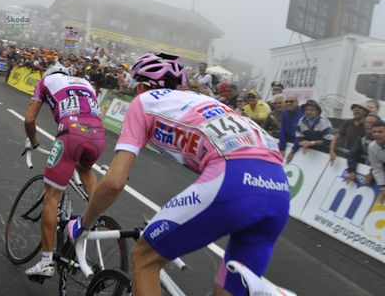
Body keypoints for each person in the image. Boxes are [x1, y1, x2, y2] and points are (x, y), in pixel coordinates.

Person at [67, 52, 289, 296]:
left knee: (144, 258)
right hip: (277, 188)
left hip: (232, 179)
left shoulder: (143, 102)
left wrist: (82, 224)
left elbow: (115, 182)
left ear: (140, 85)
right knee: (227, 289)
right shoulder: (208, 102)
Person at [24, 61, 106, 277]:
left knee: (52, 197)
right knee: (86, 169)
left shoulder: (45, 82)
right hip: (98, 135)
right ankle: (94, 217)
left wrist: (33, 141)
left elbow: (29, 119)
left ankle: (45, 262)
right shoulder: (86, 83)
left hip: (71, 134)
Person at [345, 113, 380, 184]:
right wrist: (352, 170)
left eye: (371, 123)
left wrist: (372, 173)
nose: (367, 124)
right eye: (366, 122)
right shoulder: (362, 138)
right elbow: (352, 154)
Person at [279, 94, 303, 161]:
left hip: (297, 144)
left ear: (297, 103)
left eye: (291, 101)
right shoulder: (284, 113)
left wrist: (293, 151)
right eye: (286, 101)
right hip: (289, 141)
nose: (288, 103)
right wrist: (282, 148)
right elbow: (282, 131)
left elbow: (300, 135)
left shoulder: (302, 114)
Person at [367, 120, 385, 202]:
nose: (376, 134)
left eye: (380, 132)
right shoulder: (372, 146)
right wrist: (383, 187)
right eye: (374, 131)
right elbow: (377, 168)